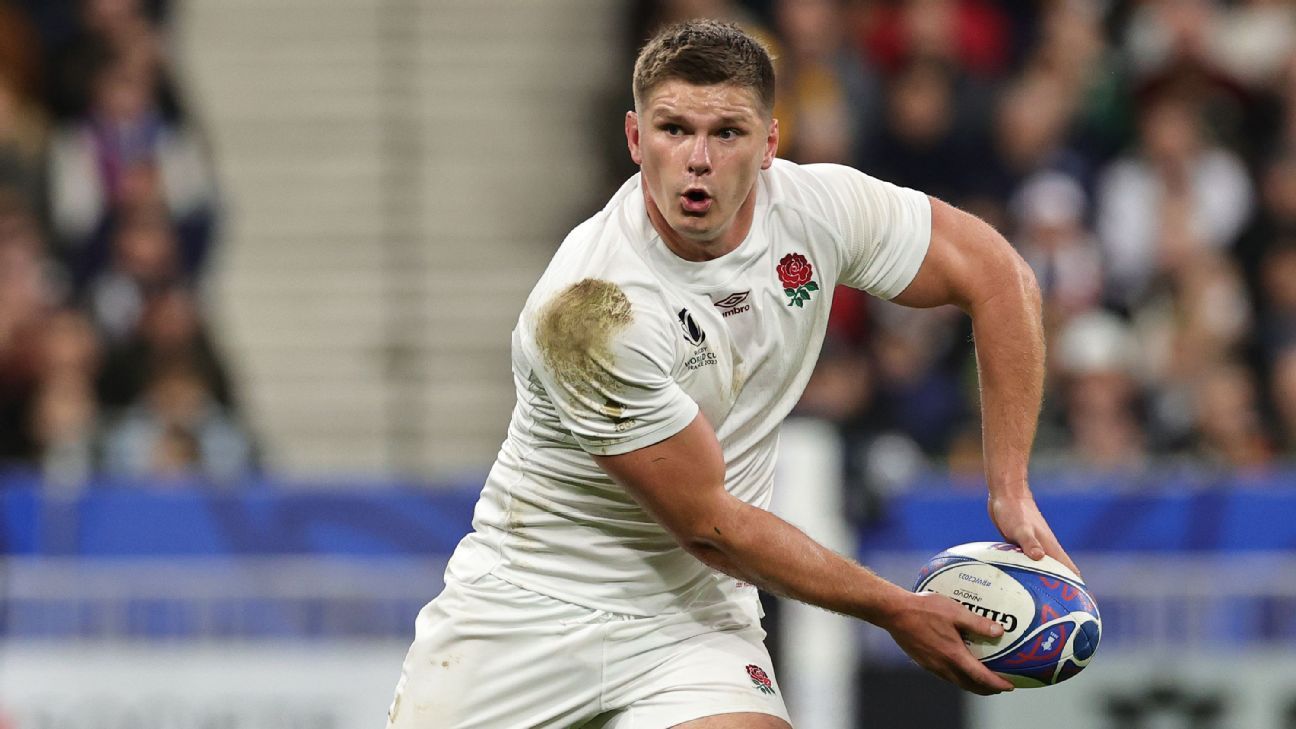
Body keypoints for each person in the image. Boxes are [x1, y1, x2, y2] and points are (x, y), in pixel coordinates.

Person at [387, 19, 1077, 729]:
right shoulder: (591, 308)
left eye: (727, 133)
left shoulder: (818, 211)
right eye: (674, 129)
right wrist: (896, 608)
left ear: (770, 142)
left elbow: (999, 276)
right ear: (634, 139)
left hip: (690, 620)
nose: (698, 159)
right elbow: (710, 523)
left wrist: (1010, 489)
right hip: (527, 614)